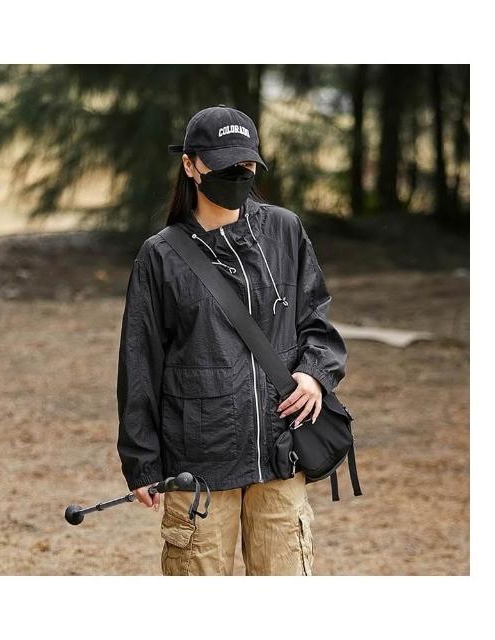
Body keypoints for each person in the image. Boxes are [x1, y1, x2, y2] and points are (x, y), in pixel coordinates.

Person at [116, 104, 348, 575]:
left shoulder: (284, 230)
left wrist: (314, 375)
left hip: (280, 451)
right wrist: (142, 462)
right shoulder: (160, 256)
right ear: (190, 166)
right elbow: (139, 363)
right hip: (199, 465)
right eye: (224, 165)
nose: (238, 175)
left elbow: (316, 318)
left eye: (246, 164)